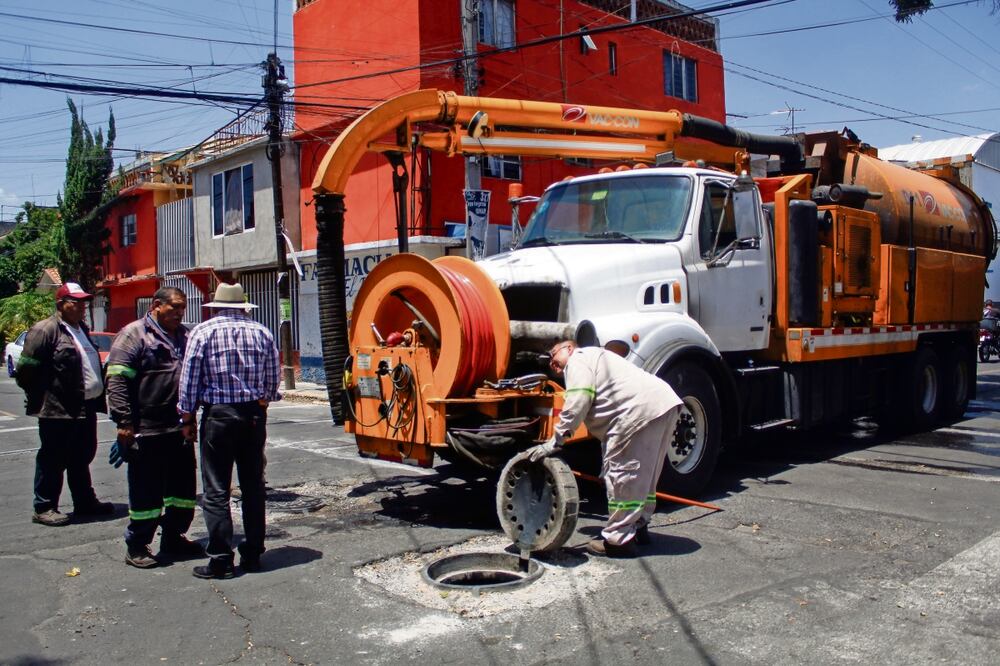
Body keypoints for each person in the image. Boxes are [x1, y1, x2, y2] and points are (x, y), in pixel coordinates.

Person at [529, 340, 683, 558]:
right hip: (662, 404)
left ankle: (618, 540)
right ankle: (638, 527)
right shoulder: (599, 359)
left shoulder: (579, 359)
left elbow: (579, 399)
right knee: (644, 477)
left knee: (623, 476)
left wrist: (556, 440)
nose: (551, 361)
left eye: (553, 353)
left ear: (570, 348)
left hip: (636, 411)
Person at [178, 283, 280, 579]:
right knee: (253, 487)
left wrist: (187, 417)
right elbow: (273, 381)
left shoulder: (203, 332)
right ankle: (253, 555)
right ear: (242, 306)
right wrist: (262, 400)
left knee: (216, 490)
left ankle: (221, 559)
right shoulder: (262, 333)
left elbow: (189, 380)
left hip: (219, 417)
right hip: (252, 416)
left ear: (217, 306)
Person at [105, 286, 205, 568]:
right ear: (156, 305)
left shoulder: (185, 336)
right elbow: (117, 381)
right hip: (146, 430)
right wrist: (124, 423)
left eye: (182, 308)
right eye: (174, 307)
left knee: (182, 491)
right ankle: (137, 545)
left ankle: (173, 538)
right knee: (146, 492)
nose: (179, 313)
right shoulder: (133, 335)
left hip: (179, 428)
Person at [17, 281, 113, 526]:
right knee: (53, 458)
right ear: (61, 304)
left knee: (81, 456)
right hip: (58, 410)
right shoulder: (45, 330)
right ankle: (45, 506)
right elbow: (26, 370)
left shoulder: (80, 328)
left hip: (85, 407)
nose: (83, 306)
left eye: (84, 302)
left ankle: (84, 501)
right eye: (77, 302)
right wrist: (43, 395)